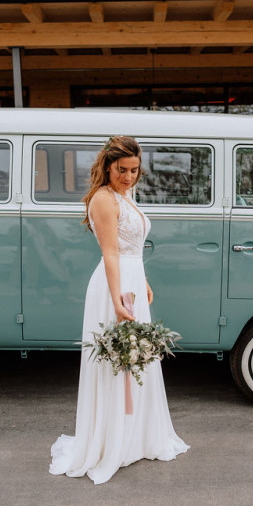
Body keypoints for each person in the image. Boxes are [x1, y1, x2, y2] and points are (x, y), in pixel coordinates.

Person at [49, 135, 189, 485]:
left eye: (135, 170)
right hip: (114, 287)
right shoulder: (102, 199)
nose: (129, 177)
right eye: (122, 170)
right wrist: (116, 299)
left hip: (132, 281)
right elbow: (111, 253)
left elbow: (132, 249)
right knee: (118, 363)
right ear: (107, 166)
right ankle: (112, 441)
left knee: (136, 360)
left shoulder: (125, 195)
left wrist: (143, 281)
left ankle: (135, 436)